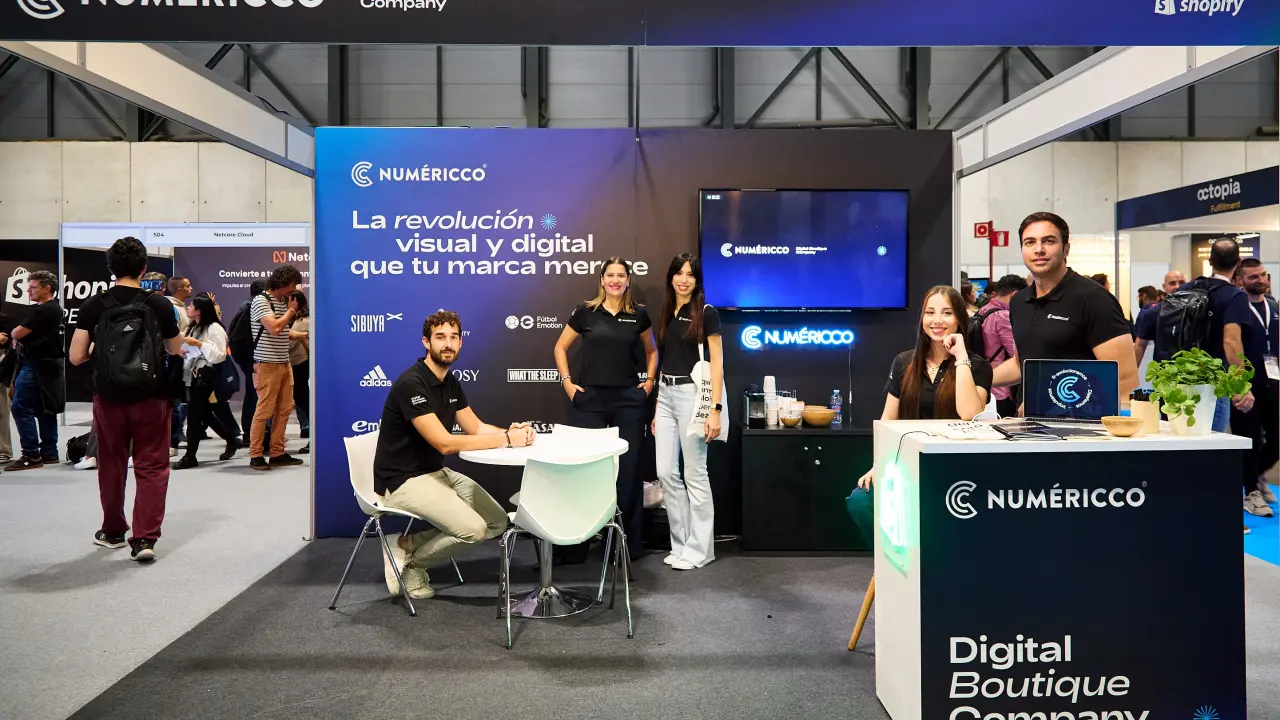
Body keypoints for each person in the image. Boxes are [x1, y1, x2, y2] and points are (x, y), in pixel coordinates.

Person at [377, 310, 533, 600]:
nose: (447, 344)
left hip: (434, 473)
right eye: (440, 337)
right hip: (401, 480)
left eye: (453, 337)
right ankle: (413, 566)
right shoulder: (412, 384)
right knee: (473, 530)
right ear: (426, 342)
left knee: (497, 522)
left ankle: (405, 544)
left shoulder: (450, 382)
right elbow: (445, 444)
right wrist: (506, 440)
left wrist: (512, 433)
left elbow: (476, 427)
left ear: (461, 342)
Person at [69, 236, 183, 562]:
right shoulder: (159, 305)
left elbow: (76, 356)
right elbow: (175, 349)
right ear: (144, 268)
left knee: (111, 464)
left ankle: (113, 530)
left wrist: (99, 348)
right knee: (152, 466)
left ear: (110, 268)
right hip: (152, 396)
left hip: (109, 397)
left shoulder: (94, 305)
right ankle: (145, 539)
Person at [554, 256, 658, 562]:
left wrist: (649, 382)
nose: (615, 280)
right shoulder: (585, 311)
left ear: (628, 280)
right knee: (584, 471)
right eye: (610, 275)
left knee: (628, 474)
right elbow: (560, 347)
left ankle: (624, 548)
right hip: (590, 401)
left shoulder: (638, 314)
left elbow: (652, 350)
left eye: (621, 275)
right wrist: (567, 382)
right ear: (602, 279)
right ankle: (574, 549)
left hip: (628, 401)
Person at [994, 212, 1137, 408]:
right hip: (1028, 423)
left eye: (1049, 241)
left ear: (1066, 249)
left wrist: (1047, 402)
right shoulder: (1019, 302)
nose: (1039, 249)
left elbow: (1124, 380)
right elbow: (1020, 364)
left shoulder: (1094, 299)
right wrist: (978, 379)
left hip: (1082, 425)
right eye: (1030, 242)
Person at [857, 286, 994, 488]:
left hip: (957, 467)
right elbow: (888, 420)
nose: (937, 320)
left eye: (947, 313)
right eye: (930, 313)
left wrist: (961, 356)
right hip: (907, 462)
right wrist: (878, 464)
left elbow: (969, 413)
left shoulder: (978, 366)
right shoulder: (904, 362)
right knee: (860, 499)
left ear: (959, 319)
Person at [651, 254, 722, 571]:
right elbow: (665, 359)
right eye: (679, 273)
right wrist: (657, 407)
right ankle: (680, 544)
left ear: (697, 280)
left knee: (695, 473)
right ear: (671, 277)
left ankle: (700, 550)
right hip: (666, 394)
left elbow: (717, 364)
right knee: (666, 473)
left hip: (693, 397)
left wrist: (714, 410)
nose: (684, 279)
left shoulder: (706, 313)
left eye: (690, 274)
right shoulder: (668, 310)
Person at [5, 270, 65, 471]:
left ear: (47, 288)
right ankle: (49, 452)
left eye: (33, 287)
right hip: (47, 365)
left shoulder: (44, 311)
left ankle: (31, 455)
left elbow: (16, 332)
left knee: (20, 408)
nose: (28, 290)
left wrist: (16, 335)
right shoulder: (53, 309)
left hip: (36, 365)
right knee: (44, 408)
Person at [174, 295, 242, 469]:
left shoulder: (215, 329)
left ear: (199, 311)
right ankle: (231, 439)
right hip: (192, 375)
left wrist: (199, 344)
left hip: (207, 376)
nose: (188, 308)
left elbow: (219, 355)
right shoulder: (193, 327)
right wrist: (182, 350)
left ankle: (190, 455)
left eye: (191, 306)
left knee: (194, 416)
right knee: (203, 413)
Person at [248, 266, 304, 471]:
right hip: (266, 364)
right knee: (264, 410)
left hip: (284, 363)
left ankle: (277, 452)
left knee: (284, 409)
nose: (294, 289)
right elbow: (274, 328)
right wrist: (291, 310)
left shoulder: (281, 302)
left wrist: (304, 335)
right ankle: (256, 454)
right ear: (283, 282)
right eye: (293, 284)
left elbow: (284, 331)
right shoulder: (261, 301)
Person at [1235, 258, 1277, 509]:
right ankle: (1250, 490)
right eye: (1253, 276)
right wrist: (1239, 384)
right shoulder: (1236, 308)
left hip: (1273, 382)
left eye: (1262, 275)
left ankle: (1257, 474)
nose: (1260, 280)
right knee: (1249, 438)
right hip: (1247, 384)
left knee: (1276, 438)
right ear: (1240, 280)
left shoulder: (1273, 306)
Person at [978, 275, 1024, 418]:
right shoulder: (1003, 316)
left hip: (984, 380)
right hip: (1002, 387)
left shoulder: (983, 310)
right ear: (1015, 295)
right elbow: (1016, 353)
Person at [230, 280, 268, 437]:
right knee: (256, 395)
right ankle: (253, 433)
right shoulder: (252, 307)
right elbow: (248, 336)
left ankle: (251, 431)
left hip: (247, 357)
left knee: (253, 393)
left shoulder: (245, 305)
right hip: (253, 358)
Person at [1133, 270, 1187, 366]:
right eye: (1172, 283)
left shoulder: (1198, 310)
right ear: (1164, 287)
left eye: (1182, 283)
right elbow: (1140, 344)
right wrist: (1132, 371)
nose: (1178, 287)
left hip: (1193, 370)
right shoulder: (1152, 313)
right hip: (1164, 370)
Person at [289, 291, 311, 452]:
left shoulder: (301, 322)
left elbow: (289, 343)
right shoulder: (300, 320)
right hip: (300, 363)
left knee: (303, 400)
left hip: (300, 363)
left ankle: (312, 432)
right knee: (302, 399)